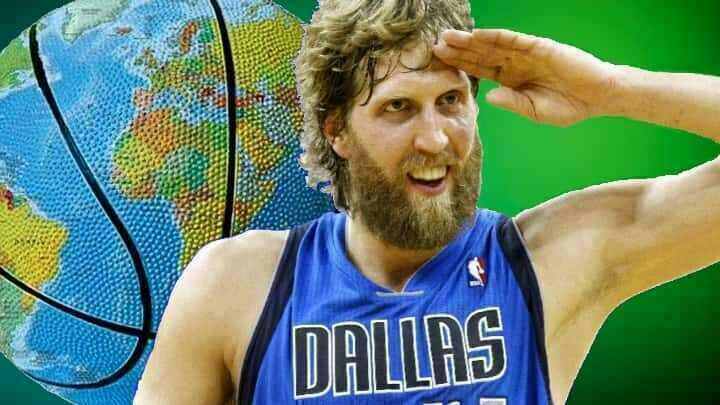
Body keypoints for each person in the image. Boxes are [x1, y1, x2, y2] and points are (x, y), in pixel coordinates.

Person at [134, 0, 720, 404]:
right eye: (398, 107)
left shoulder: (551, 261)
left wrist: (609, 88)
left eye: (450, 101)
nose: (435, 139)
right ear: (337, 131)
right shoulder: (237, 286)